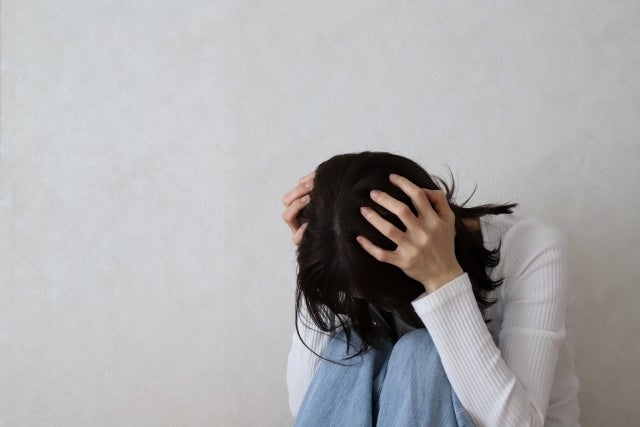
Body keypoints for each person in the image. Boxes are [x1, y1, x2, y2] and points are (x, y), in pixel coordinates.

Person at [282, 151, 580, 426]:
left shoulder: (532, 248)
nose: (377, 305)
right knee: (351, 345)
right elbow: (311, 410)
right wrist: (318, 266)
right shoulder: (349, 264)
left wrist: (442, 279)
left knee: (422, 352)